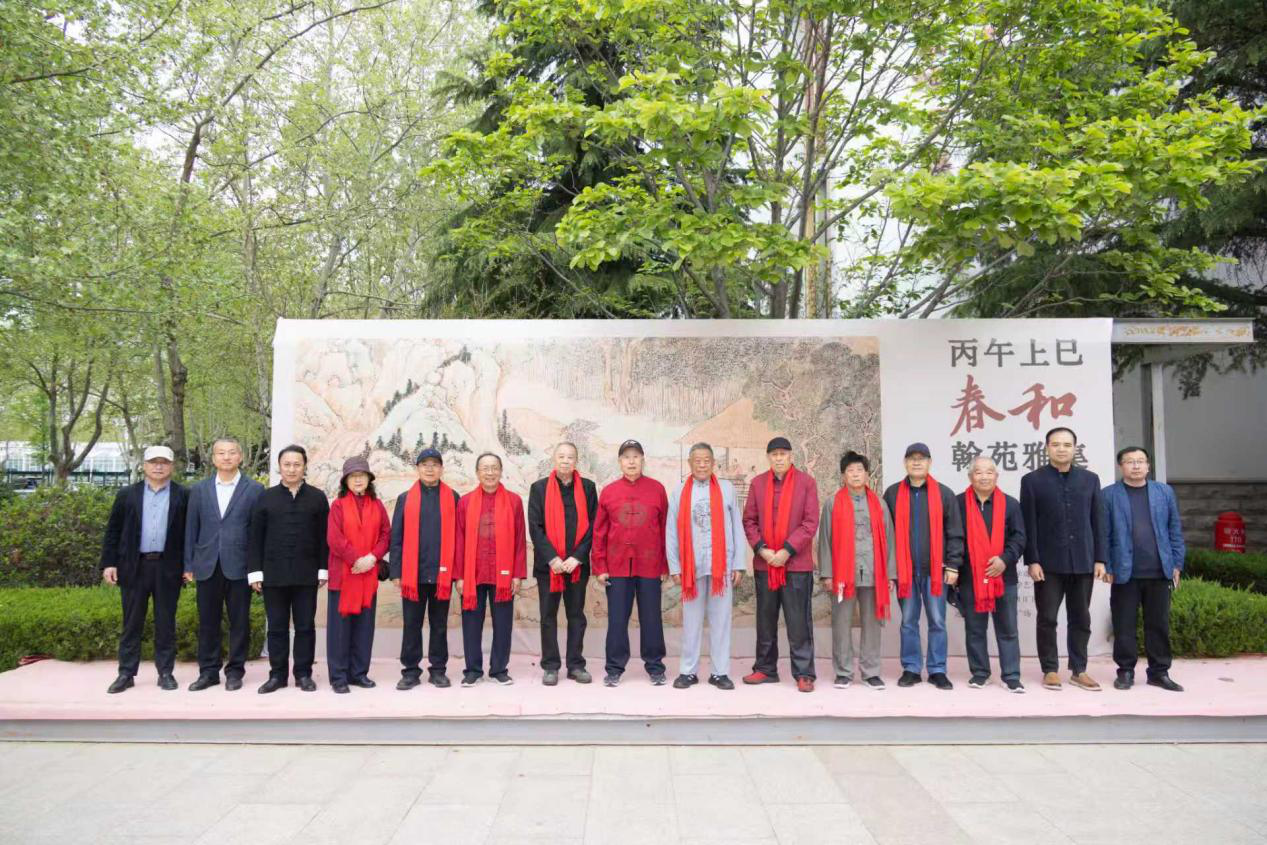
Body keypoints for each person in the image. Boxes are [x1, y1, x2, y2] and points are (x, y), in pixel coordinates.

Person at [1020, 427, 1108, 692]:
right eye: (1056, 444)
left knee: (1081, 617)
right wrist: (1032, 560)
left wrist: (1100, 558)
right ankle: (1050, 669)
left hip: (1083, 561)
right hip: (1047, 564)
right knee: (1047, 618)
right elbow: (1028, 524)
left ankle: (1079, 670)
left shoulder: (1090, 480)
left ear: (1075, 449)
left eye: (1067, 445)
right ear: (1047, 448)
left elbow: (1098, 521)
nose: (1061, 449)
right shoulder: (1032, 481)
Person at [99, 446, 189, 694]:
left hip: (168, 567)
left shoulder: (183, 495)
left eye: (164, 462)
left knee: (166, 622)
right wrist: (109, 563)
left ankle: (165, 672)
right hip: (134, 566)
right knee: (131, 622)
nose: (158, 466)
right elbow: (113, 531)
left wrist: (189, 566)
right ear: (144, 465)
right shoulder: (127, 494)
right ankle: (126, 673)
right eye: (153, 462)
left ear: (172, 466)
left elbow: (189, 534)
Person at [183, 436, 264, 692]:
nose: (226, 457)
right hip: (207, 565)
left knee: (239, 622)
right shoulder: (199, 490)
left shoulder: (254, 490)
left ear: (241, 457)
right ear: (213, 458)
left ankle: (235, 672)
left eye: (231, 452)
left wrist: (256, 569)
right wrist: (188, 564)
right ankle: (208, 672)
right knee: (208, 622)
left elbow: (258, 533)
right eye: (221, 453)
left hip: (240, 566)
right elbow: (191, 529)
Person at [248, 444, 329, 693]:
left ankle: (303, 674)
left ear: (304, 467)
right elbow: (255, 537)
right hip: (273, 575)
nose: (292, 469)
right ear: (279, 467)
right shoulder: (266, 497)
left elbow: (324, 537)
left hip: (307, 575)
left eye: (297, 464)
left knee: (305, 627)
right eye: (287, 464)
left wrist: (323, 569)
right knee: (277, 628)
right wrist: (255, 572)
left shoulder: (317, 497)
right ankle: (277, 675)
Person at [1103, 446, 1185, 692]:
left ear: (1148, 466)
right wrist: (1107, 564)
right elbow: (1103, 534)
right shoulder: (1108, 495)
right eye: (1130, 461)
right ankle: (1125, 671)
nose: (1136, 466)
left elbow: (1174, 529)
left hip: (1159, 571)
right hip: (1124, 572)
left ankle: (1159, 672)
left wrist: (1177, 563)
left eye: (1141, 461)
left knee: (1158, 625)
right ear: (1121, 466)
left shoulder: (1164, 492)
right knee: (1124, 625)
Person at [883, 443, 964, 690]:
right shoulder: (893, 494)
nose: (916, 462)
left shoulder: (944, 494)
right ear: (905, 463)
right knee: (908, 621)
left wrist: (953, 565)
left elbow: (955, 532)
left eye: (921, 458)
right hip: (905, 572)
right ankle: (911, 668)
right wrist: (890, 571)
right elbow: (885, 535)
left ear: (930, 463)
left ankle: (938, 670)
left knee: (937, 621)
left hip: (935, 571)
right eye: (912, 458)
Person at [665, 442, 746, 690]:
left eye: (706, 461)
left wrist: (739, 564)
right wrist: (675, 567)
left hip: (722, 566)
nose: (702, 465)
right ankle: (688, 672)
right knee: (691, 622)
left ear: (713, 463)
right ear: (690, 463)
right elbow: (671, 530)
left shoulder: (727, 489)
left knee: (721, 622)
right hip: (692, 568)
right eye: (697, 461)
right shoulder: (680, 491)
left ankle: (720, 673)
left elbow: (737, 526)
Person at [742, 437, 820, 693]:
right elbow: (749, 521)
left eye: (783, 454)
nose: (778, 458)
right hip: (765, 564)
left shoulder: (806, 483)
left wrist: (787, 550)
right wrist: (762, 550)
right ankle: (765, 669)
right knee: (765, 620)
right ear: (768, 457)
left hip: (795, 564)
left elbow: (810, 522)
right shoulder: (758, 483)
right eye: (774, 454)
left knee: (798, 622)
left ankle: (804, 673)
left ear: (790, 456)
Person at [592, 439, 670, 687]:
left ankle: (655, 667)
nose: (631, 461)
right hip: (617, 567)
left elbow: (666, 530)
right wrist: (600, 566)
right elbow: (599, 532)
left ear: (642, 460)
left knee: (652, 619)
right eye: (626, 457)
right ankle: (614, 669)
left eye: (636, 456)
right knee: (617, 620)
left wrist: (665, 565)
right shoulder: (609, 491)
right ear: (620, 462)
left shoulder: (657, 489)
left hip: (650, 565)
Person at [817, 450, 895, 691]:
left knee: (872, 624)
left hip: (874, 573)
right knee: (841, 624)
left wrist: (890, 574)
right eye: (850, 470)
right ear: (843, 476)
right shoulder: (832, 503)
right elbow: (825, 541)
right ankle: (843, 672)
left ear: (867, 474)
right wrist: (827, 573)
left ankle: (871, 672)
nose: (855, 474)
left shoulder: (879, 504)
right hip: (843, 574)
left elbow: (890, 540)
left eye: (859, 470)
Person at [527, 442, 599, 686]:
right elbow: (535, 527)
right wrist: (553, 558)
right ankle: (550, 666)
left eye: (570, 457)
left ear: (576, 461)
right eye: (561, 456)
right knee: (548, 616)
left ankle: (576, 665)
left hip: (577, 566)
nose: (566, 461)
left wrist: (577, 557)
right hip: (549, 567)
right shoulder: (539, 488)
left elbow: (594, 525)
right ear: (554, 459)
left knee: (576, 616)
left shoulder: (588, 488)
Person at [454, 452, 527, 687]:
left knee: (503, 624)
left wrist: (517, 574)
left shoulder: (514, 501)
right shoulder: (465, 502)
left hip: (503, 574)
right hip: (473, 574)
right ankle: (473, 670)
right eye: (485, 468)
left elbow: (519, 540)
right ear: (477, 472)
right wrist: (459, 576)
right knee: (471, 624)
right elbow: (459, 540)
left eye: (494, 468)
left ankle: (499, 669)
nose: (490, 472)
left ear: (501, 471)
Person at [389, 447, 459, 690]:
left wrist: (457, 573)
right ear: (417, 468)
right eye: (425, 464)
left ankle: (438, 670)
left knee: (439, 625)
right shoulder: (405, 499)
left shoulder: (453, 497)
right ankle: (410, 672)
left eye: (434, 464)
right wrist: (396, 572)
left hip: (442, 574)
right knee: (412, 625)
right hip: (413, 575)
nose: (430, 469)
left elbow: (459, 539)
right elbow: (396, 538)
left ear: (441, 469)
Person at [958, 456, 1027, 693]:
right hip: (971, 578)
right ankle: (980, 673)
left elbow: (1019, 537)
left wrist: (1004, 560)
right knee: (975, 629)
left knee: (1008, 629)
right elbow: (954, 538)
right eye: (978, 472)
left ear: (996, 476)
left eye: (989, 472)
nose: (984, 477)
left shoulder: (1011, 504)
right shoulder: (958, 504)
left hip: (1004, 578)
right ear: (970, 477)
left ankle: (1011, 675)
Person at [325, 456, 388, 694]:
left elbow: (386, 534)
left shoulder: (377, 505)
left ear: (369, 479)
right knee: (340, 630)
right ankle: (339, 677)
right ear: (346, 481)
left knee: (364, 627)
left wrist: (372, 558)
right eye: (353, 476)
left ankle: (359, 673)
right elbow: (334, 538)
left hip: (368, 575)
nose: (358, 479)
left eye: (362, 475)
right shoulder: (338, 506)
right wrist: (356, 560)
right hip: (344, 575)